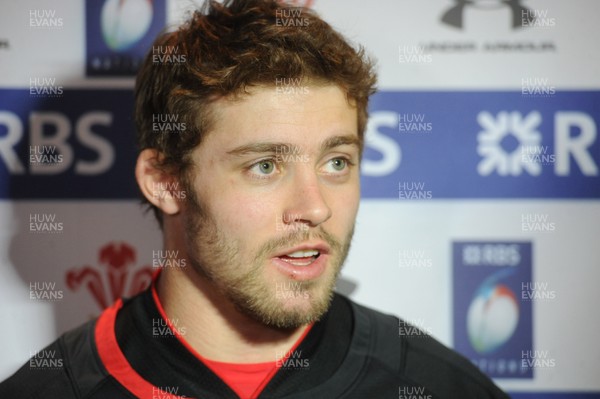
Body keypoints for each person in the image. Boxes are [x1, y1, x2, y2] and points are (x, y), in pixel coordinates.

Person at [1, 1, 509, 398]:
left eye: (336, 162)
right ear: (165, 181)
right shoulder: (52, 389)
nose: (315, 207)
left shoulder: (438, 385)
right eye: (264, 166)